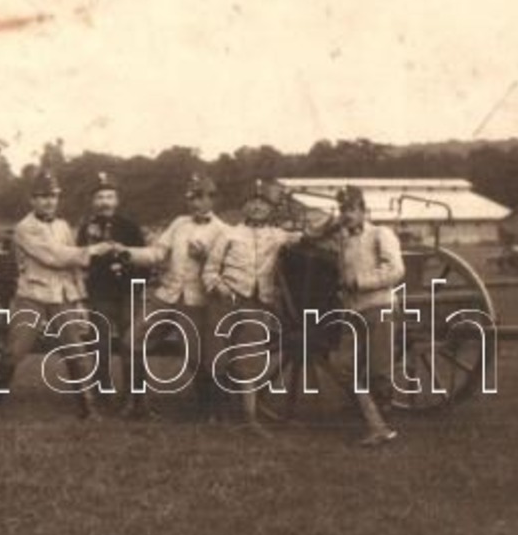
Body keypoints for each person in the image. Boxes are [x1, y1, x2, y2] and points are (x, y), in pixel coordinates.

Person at [0, 172, 113, 420]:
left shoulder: (62, 225)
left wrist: (79, 299)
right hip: (32, 294)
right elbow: (54, 256)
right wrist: (92, 249)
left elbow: (72, 267)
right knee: (15, 350)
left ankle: (88, 408)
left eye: (53, 197)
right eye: (43, 197)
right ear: (32, 200)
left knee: (75, 350)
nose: (48, 202)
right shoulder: (25, 227)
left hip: (61, 295)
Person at [203, 184, 318, 435]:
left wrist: (329, 222)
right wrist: (220, 288)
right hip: (225, 302)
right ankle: (218, 412)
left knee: (250, 360)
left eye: (263, 203)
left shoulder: (277, 235)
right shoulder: (229, 235)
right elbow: (210, 271)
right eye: (252, 202)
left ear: (270, 209)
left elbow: (310, 235)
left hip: (257, 303)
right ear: (245, 207)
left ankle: (249, 419)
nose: (257, 207)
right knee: (218, 358)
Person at [121, 172, 229, 422]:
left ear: (213, 200)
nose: (195, 203)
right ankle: (137, 403)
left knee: (194, 356)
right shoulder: (179, 223)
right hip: (166, 295)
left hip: (196, 301)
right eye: (192, 198)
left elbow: (223, 269)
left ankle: (208, 409)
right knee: (131, 342)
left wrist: (205, 258)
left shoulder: (223, 230)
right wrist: (127, 253)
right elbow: (158, 253)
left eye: (202, 198)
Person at [331, 185, 403, 448]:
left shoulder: (380, 234)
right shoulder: (343, 239)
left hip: (379, 306)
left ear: (363, 210)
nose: (346, 215)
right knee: (343, 366)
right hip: (352, 311)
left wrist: (360, 281)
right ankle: (376, 423)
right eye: (343, 209)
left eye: (351, 209)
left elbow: (395, 270)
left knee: (378, 369)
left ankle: (381, 426)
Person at [75, 171, 149, 413]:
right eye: (100, 197)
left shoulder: (130, 227)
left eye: (109, 196)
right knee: (101, 345)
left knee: (132, 344)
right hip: (100, 294)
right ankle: (102, 393)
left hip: (129, 292)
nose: (105, 202)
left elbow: (145, 262)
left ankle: (135, 397)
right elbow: (79, 261)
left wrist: (135, 287)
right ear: (93, 202)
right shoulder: (86, 229)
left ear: (117, 200)